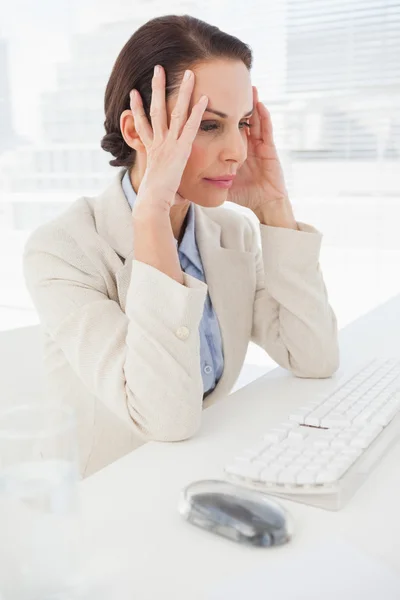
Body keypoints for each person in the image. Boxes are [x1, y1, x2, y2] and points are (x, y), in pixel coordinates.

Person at [23, 14, 339, 478]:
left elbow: (314, 357)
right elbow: (164, 419)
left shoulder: (231, 232)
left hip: (204, 469)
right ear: (136, 132)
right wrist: (151, 215)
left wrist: (273, 207)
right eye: (209, 126)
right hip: (104, 496)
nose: (237, 151)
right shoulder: (62, 249)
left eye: (243, 124)